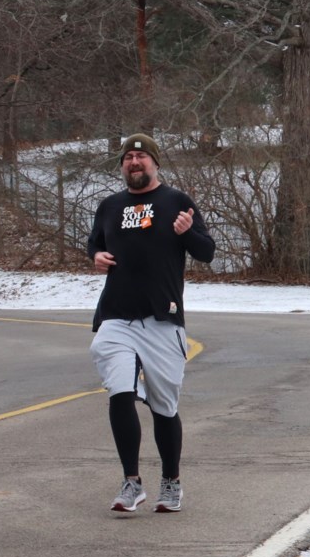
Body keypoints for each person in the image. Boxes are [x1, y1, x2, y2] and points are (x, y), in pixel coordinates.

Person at [87, 133, 215, 514]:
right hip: (116, 316)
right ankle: (131, 482)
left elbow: (206, 252)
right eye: (128, 158)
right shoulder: (109, 205)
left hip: (162, 318)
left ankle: (171, 482)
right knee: (120, 393)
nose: (134, 162)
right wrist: (96, 255)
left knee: (164, 406)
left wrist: (186, 232)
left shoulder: (176, 202)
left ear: (155, 163)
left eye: (141, 157)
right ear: (122, 166)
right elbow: (94, 243)